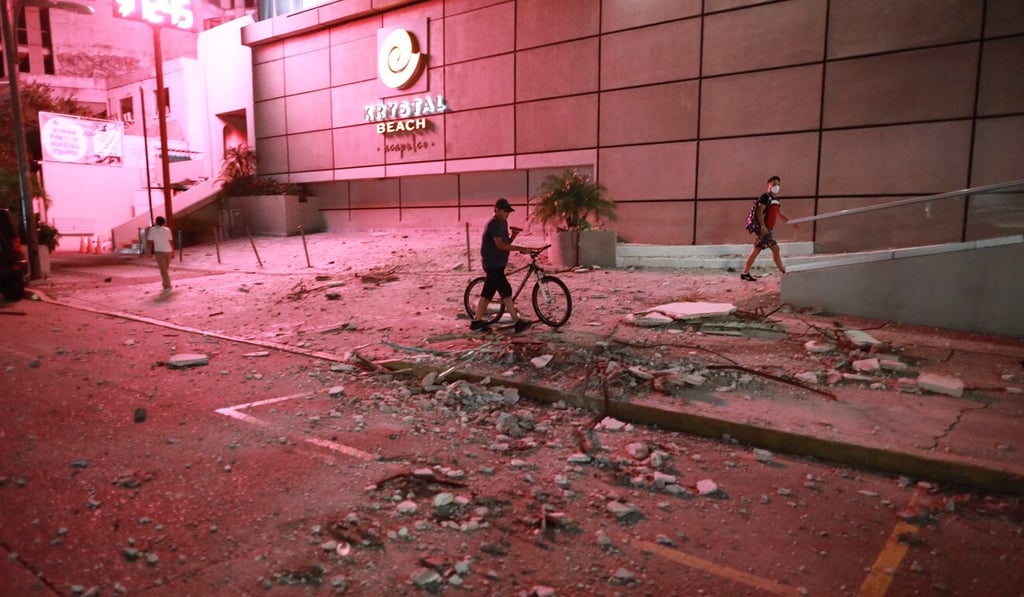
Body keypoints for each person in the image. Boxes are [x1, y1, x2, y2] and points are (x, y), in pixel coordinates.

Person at [470, 198, 534, 333]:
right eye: (505, 211)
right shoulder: (493, 224)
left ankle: (476, 322)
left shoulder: (503, 223)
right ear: (497, 210)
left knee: (487, 293)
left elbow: (505, 243)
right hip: (492, 264)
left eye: (508, 212)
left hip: (498, 263)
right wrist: (520, 248)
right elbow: (500, 245)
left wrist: (513, 237)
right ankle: (517, 322)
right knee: (506, 290)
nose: (507, 214)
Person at [740, 175, 797, 281]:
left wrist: (792, 221)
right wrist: (762, 226)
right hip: (764, 229)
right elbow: (759, 213)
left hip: (769, 228)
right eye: (774, 184)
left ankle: (745, 273)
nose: (776, 186)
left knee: (757, 250)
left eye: (778, 184)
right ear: (769, 185)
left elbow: (779, 213)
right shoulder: (765, 197)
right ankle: (783, 270)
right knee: (775, 248)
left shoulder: (776, 199)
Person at [147, 216, 174, 292]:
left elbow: (150, 241)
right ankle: (166, 285)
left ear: (156, 222)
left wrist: (149, 252)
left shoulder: (152, 230)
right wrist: (172, 252)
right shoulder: (167, 230)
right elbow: (170, 241)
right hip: (168, 250)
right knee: (165, 270)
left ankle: (167, 286)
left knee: (163, 270)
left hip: (159, 251)